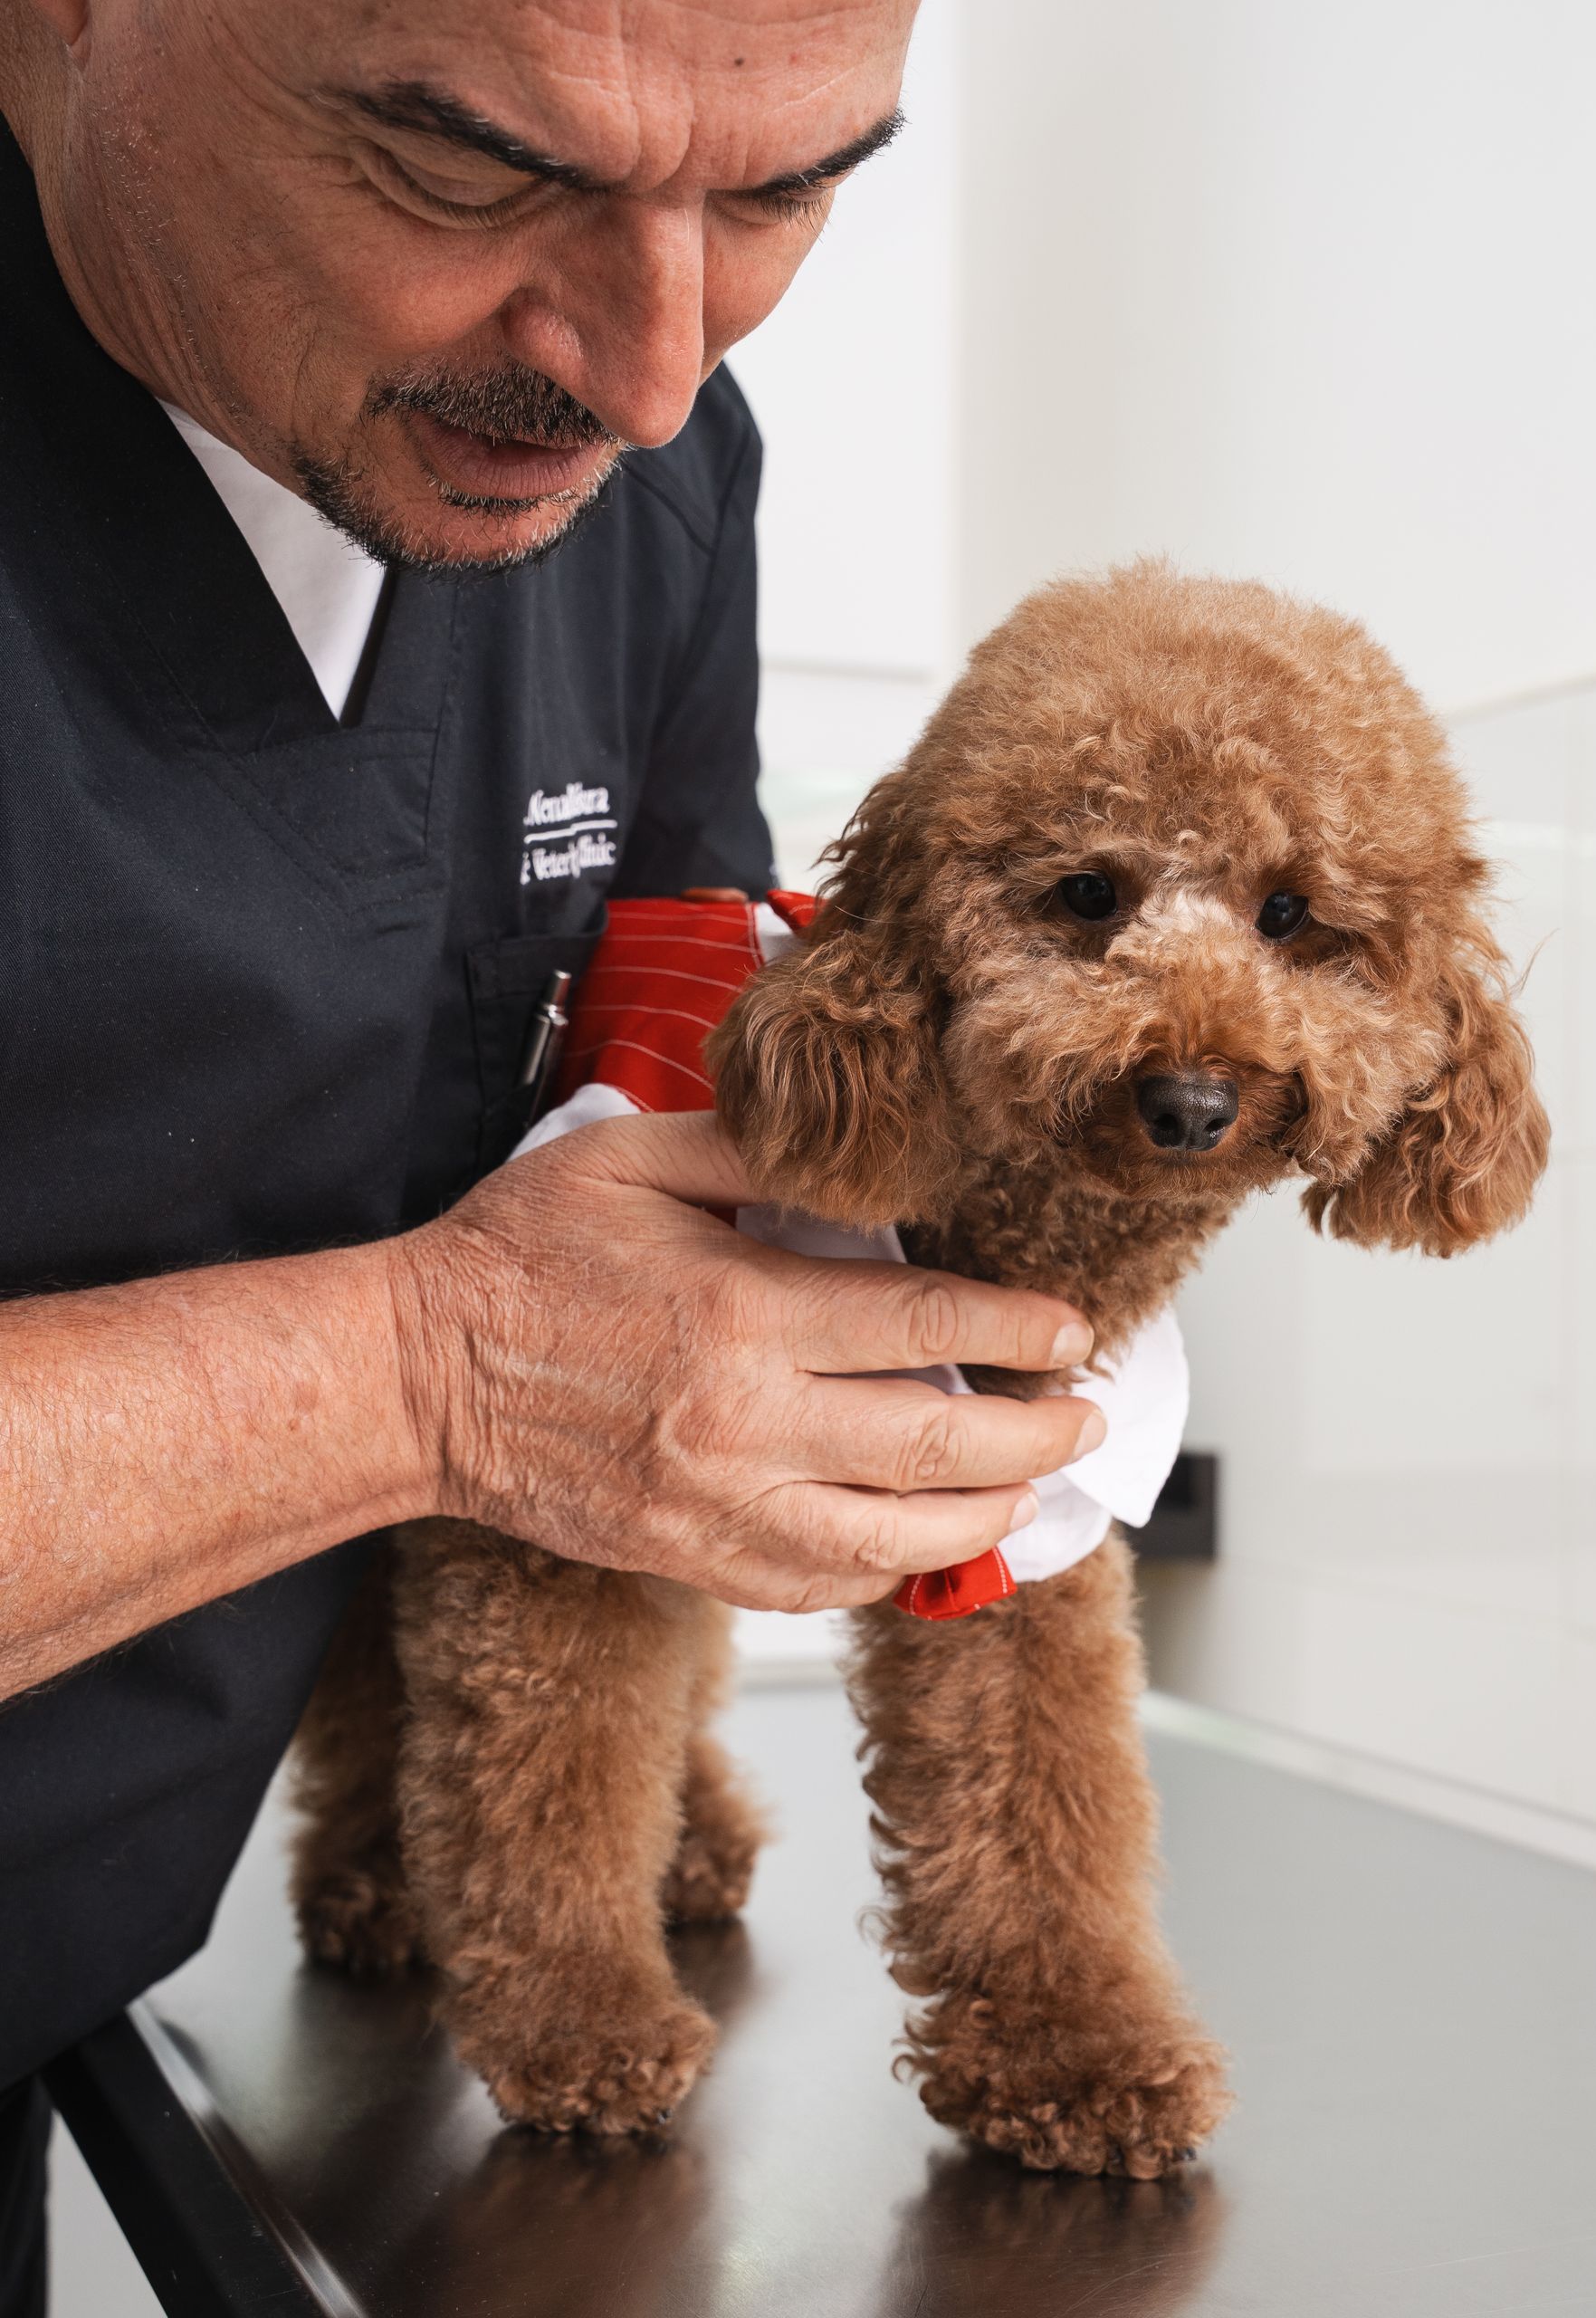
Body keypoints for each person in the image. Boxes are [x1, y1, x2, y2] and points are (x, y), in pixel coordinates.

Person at [0, 2, 1104, 2303]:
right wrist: (431, 1372)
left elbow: (670, 1057)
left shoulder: (659, 494)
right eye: (469, 161)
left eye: (786, 190)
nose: (644, 372)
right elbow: (505, 1340)